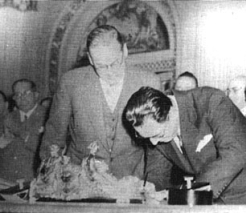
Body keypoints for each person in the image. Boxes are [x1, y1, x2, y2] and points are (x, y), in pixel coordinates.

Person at [124, 86, 246, 204]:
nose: (153, 143)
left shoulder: (212, 100)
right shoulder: (153, 129)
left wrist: (187, 193)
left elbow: (233, 155)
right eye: (148, 139)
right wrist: (149, 193)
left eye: (158, 135)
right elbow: (157, 175)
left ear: (171, 112)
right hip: (218, 185)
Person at [40, 25, 160, 180]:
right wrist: (50, 181)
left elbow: (157, 148)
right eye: (101, 66)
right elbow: (54, 137)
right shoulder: (71, 82)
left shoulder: (149, 82)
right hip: (80, 181)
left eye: (114, 63)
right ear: (90, 59)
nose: (109, 72)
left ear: (124, 51)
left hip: (132, 181)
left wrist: (146, 183)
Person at [0, 79, 48, 183]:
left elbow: (47, 151)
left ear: (36, 95)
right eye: (17, 94)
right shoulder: (8, 118)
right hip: (6, 179)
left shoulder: (48, 117)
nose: (21, 98)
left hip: (33, 181)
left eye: (26, 93)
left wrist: (20, 132)